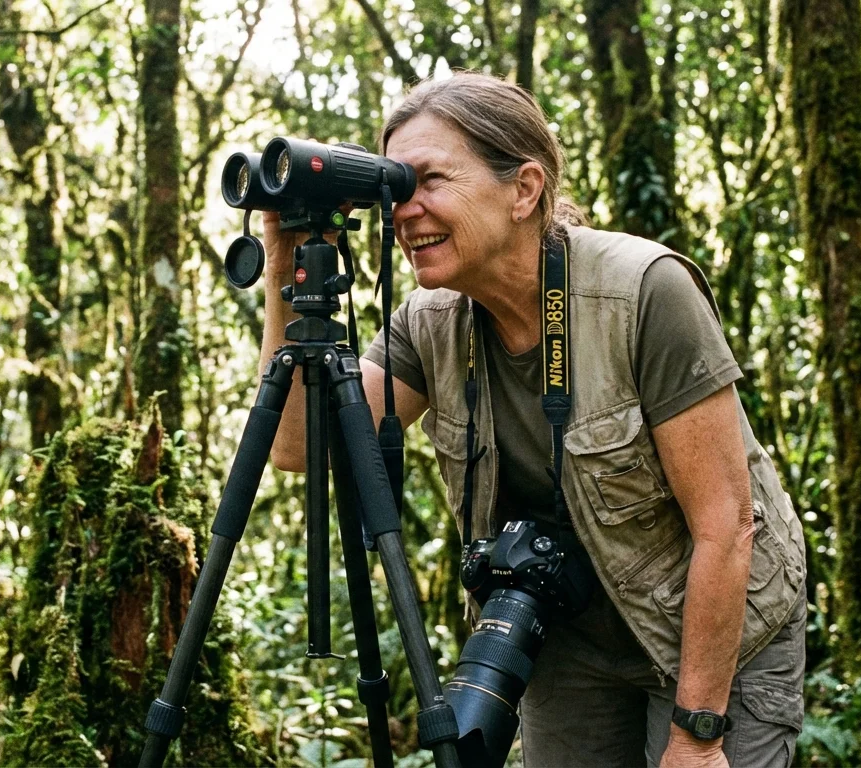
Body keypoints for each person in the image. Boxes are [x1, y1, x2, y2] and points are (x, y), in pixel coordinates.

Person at [259, 72, 807, 768]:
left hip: (712, 627)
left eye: (431, 180)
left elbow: (726, 523)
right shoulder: (428, 324)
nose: (405, 210)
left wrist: (696, 736)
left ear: (524, 189)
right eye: (397, 187)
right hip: (564, 636)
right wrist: (286, 267)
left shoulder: (643, 292)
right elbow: (299, 445)